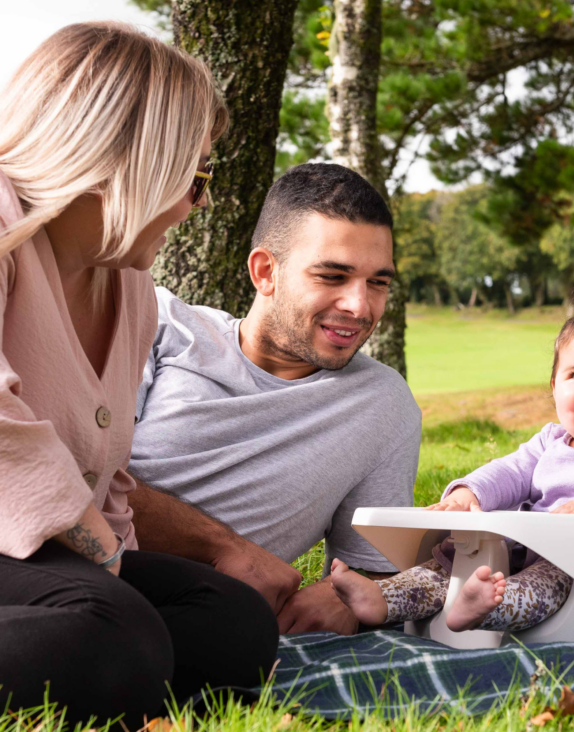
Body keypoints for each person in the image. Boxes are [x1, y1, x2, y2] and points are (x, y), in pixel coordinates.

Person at [0, 23, 278, 726]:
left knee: (233, 622)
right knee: (114, 638)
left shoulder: (126, 289)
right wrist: (104, 561)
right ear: (129, 159)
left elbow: (106, 467)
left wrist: (113, 558)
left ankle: (111, 662)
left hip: (34, 560)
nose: (202, 202)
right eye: (196, 176)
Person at [129, 163, 422, 635]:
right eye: (332, 276)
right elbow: (83, 478)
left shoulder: (384, 405)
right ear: (266, 271)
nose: (360, 307)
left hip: (199, 614)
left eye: (378, 283)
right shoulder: (157, 324)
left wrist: (345, 594)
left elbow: (373, 569)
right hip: (61, 562)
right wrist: (227, 549)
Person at [331, 297, 574, 632]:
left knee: (540, 587)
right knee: (448, 563)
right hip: (521, 546)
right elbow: (508, 472)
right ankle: (383, 598)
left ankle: (484, 610)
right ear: (555, 386)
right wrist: (467, 492)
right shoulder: (550, 440)